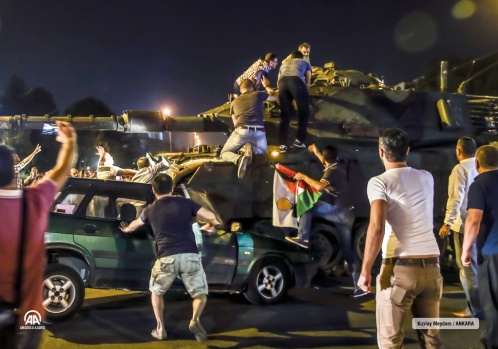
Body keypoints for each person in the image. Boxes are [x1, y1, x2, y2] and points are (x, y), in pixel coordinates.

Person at [358, 128, 444, 348]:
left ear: (381, 152)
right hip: (432, 268)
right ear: (407, 150)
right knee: (431, 339)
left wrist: (365, 269)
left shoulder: (379, 182)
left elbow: (376, 227)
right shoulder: (426, 177)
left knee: (391, 340)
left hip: (399, 269)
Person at [0, 121, 77, 349]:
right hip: (29, 316)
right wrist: (70, 142)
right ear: (16, 173)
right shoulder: (36, 199)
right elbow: (61, 170)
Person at [119, 173, 219, 342]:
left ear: (153, 190)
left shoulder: (150, 209)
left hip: (166, 257)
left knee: (156, 292)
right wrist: (211, 225)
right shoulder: (187, 203)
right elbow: (211, 216)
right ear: (172, 188)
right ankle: (194, 319)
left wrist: (127, 229)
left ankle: (160, 329)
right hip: (190, 255)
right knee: (200, 293)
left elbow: (136, 224)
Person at [285, 144, 362, 295]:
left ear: (327, 160)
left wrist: (303, 177)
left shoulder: (332, 171)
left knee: (308, 205)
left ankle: (303, 237)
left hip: (338, 212)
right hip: (347, 215)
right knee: (348, 252)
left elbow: (319, 187)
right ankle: (360, 287)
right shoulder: (335, 165)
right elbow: (325, 161)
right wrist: (316, 150)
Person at [438, 137, 483, 319]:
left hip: (464, 226)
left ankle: (474, 310)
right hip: (483, 224)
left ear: (458, 151)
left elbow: (455, 198)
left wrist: (447, 223)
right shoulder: (483, 166)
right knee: (479, 267)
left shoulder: (460, 169)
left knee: (466, 269)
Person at [462, 145, 498, 349]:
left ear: (477, 164)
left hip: (493, 252)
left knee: (492, 304)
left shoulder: (479, 185)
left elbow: (474, 220)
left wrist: (466, 248)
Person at [221, 79, 277, 179]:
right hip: (259, 132)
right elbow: (275, 97)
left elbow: (235, 123)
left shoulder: (234, 103)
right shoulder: (257, 94)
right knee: (263, 158)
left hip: (242, 130)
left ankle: (239, 159)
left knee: (224, 153)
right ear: (251, 88)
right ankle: (252, 149)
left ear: (240, 89)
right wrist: (267, 86)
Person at [277, 51, 312, 151]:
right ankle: (299, 141)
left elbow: (279, 78)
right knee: (304, 112)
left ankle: (282, 144)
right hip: (296, 81)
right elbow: (308, 78)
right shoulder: (305, 62)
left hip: (282, 83)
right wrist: (306, 91)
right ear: (301, 57)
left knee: (285, 114)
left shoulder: (284, 63)